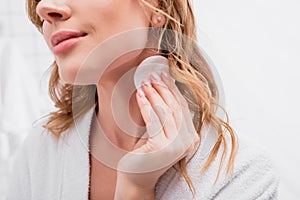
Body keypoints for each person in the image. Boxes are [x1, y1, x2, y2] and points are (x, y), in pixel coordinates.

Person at [7, 0, 278, 199]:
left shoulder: (241, 175)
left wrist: (135, 187)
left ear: (156, 6)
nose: (44, 7)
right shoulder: (40, 151)